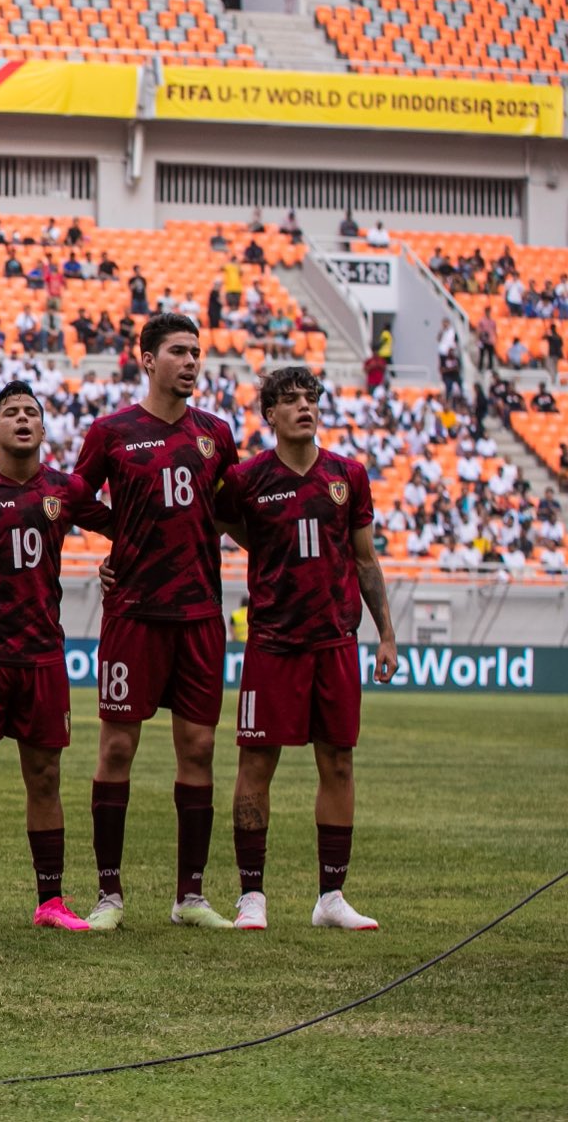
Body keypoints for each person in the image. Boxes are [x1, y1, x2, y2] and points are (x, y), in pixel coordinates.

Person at [74, 312, 241, 931]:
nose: (191, 361)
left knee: (198, 748)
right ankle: (109, 896)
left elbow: (229, 508)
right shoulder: (112, 431)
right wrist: (121, 532)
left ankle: (190, 897)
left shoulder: (217, 434)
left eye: (197, 352)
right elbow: (74, 494)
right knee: (117, 746)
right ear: (146, 359)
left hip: (199, 613)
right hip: (134, 614)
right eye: (178, 351)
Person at [214, 367, 396, 932]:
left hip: (336, 642)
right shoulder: (246, 480)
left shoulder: (349, 475)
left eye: (310, 398)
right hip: (272, 643)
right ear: (269, 414)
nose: (303, 407)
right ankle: (252, 896)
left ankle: (331, 897)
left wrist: (386, 633)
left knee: (338, 762)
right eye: (289, 400)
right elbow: (220, 521)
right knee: (256, 763)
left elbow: (365, 560)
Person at [0, 382, 111, 932]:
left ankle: (50, 901)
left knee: (46, 777)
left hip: (40, 652)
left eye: (32, 412)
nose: (24, 420)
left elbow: (124, 524)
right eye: (11, 413)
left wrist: (115, 563)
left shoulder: (65, 488)